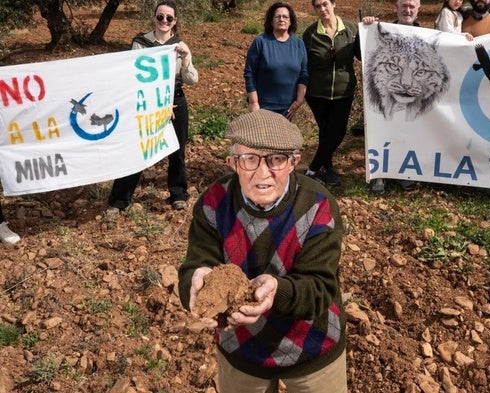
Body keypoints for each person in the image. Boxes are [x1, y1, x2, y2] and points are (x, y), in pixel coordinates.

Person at [178, 109, 347, 393]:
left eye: (276, 159)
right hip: (241, 352)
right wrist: (194, 284)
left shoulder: (318, 205)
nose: (263, 172)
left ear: (294, 162)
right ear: (232, 162)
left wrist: (274, 292)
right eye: (249, 159)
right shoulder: (213, 202)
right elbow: (195, 265)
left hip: (312, 349)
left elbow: (319, 287)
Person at [106, 0, 198, 215]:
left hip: (176, 101)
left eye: (169, 18)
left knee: (177, 151)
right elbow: (134, 77)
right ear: (154, 18)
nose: (164, 21)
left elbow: (192, 80)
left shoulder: (179, 45)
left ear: (175, 21)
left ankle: (178, 195)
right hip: (147, 102)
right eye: (160, 17)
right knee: (139, 149)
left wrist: (185, 59)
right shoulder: (140, 43)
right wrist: (159, 104)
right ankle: (119, 200)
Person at [302, 0, 376, 186]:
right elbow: (303, 64)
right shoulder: (310, 33)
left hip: (344, 92)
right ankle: (327, 169)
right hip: (316, 94)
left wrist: (369, 28)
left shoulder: (351, 29)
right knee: (325, 132)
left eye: (325, 4)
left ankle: (312, 169)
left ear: (334, 4)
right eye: (318, 6)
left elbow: (362, 54)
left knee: (338, 131)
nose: (322, 9)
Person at [370, 0, 421, 194]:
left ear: (418, 9)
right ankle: (379, 175)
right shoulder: (382, 31)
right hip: (386, 96)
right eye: (404, 6)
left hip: (412, 96)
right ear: (397, 8)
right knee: (382, 132)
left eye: (412, 6)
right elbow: (361, 52)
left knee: (406, 134)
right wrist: (366, 28)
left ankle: (403, 174)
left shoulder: (427, 34)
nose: (407, 10)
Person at [243, 2, 308, 121]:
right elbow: (249, 73)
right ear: (271, 21)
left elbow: (303, 74)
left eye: (285, 17)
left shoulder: (298, 44)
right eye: (277, 16)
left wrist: (299, 101)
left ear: (290, 21)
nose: (281, 19)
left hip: (288, 109)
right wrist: (253, 102)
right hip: (264, 106)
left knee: (284, 139)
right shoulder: (261, 42)